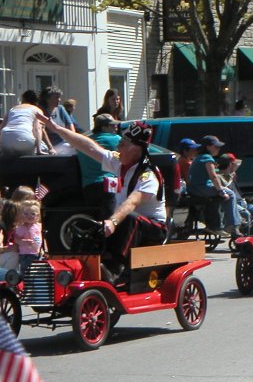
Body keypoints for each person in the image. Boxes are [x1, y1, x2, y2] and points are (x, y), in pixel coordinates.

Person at [37, 115, 168, 278]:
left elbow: (131, 202)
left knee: (129, 218)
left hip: (154, 229)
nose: (118, 147)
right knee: (88, 228)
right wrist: (56, 128)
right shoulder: (120, 162)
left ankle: (115, 268)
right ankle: (77, 270)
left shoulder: (148, 176)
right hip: (126, 224)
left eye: (122, 144)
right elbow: (90, 148)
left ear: (135, 149)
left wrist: (112, 222)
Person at [187, 135, 236, 235]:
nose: (218, 148)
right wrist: (221, 191)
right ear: (208, 147)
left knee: (225, 194)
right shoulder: (207, 158)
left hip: (196, 188)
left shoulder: (199, 157)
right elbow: (213, 176)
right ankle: (231, 225)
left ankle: (219, 223)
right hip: (200, 188)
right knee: (230, 194)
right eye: (216, 146)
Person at [78, 113, 122, 220]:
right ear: (103, 127)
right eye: (112, 125)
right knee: (109, 219)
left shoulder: (85, 141)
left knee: (93, 220)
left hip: (88, 187)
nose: (115, 128)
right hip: (109, 183)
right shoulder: (116, 139)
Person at [216, 153, 253, 236]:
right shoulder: (218, 177)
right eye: (234, 164)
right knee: (246, 214)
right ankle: (240, 238)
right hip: (232, 204)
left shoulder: (231, 175)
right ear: (230, 164)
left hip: (242, 202)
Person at [0, 90, 49, 157]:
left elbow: (1, 127)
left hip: (6, 137)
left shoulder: (13, 109)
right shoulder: (37, 110)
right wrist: (38, 149)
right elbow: (37, 129)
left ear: (23, 98)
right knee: (44, 148)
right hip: (24, 137)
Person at [14, 199, 42, 276]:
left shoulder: (39, 226)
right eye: (26, 214)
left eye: (32, 214)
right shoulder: (21, 227)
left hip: (38, 254)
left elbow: (42, 238)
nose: (29, 216)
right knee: (26, 272)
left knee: (38, 272)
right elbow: (16, 239)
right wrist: (22, 241)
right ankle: (26, 284)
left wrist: (44, 248)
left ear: (38, 216)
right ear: (21, 215)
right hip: (26, 254)